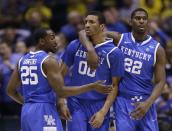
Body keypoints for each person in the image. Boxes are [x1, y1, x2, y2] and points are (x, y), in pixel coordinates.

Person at [6, 28, 111, 131]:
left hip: (26, 111)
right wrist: (92, 86)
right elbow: (62, 92)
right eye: (52, 38)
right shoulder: (49, 61)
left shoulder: (22, 60)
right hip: (44, 110)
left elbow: (10, 91)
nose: (56, 41)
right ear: (42, 41)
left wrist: (27, 103)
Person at [79, 8, 166, 131]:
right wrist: (90, 49)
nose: (141, 21)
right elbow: (83, 32)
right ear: (130, 22)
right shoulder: (119, 38)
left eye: (144, 19)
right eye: (137, 18)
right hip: (122, 101)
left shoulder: (157, 49)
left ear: (148, 22)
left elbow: (160, 81)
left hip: (145, 101)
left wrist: (148, 103)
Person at [58, 11, 124, 131]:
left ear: (102, 26)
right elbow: (59, 75)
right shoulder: (75, 45)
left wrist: (103, 112)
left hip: (99, 104)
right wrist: (62, 101)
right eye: (86, 22)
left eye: (92, 22)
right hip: (75, 102)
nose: (87, 25)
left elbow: (114, 86)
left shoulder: (114, 53)